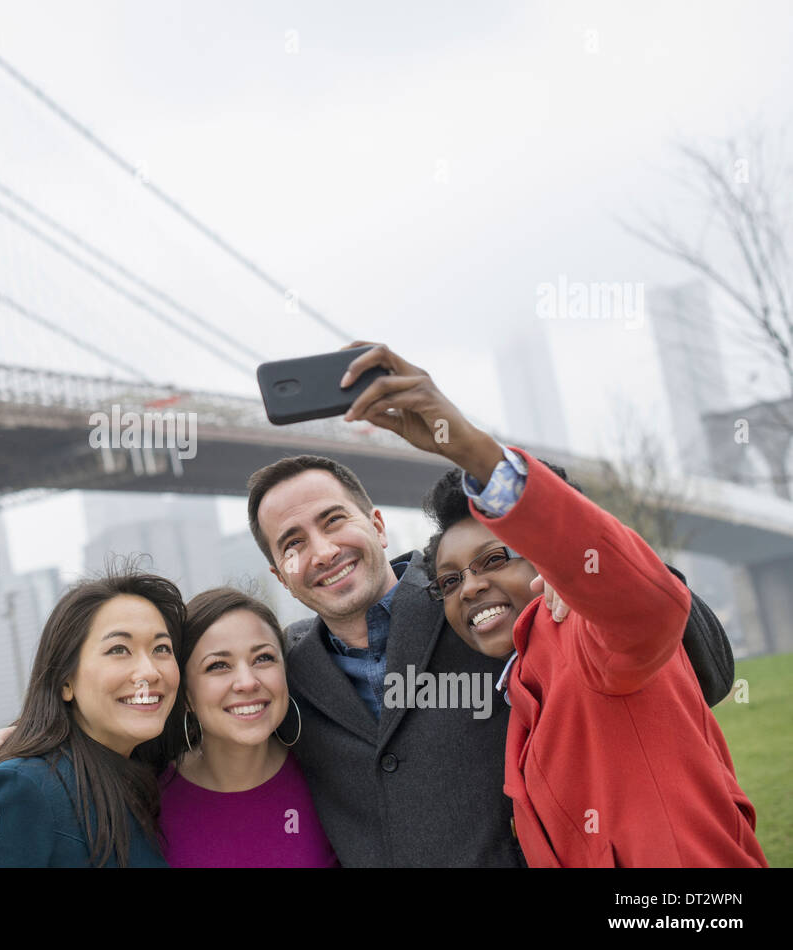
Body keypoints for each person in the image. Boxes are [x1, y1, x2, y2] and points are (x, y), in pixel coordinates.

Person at [243, 347, 735, 866]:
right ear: (280, 575)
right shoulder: (283, 673)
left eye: (334, 520)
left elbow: (701, 664)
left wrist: (576, 576)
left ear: (379, 527)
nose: (322, 552)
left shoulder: (494, 606)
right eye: (292, 544)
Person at [420, 460, 767, 866]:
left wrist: (576, 570)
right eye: (450, 581)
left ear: (547, 556)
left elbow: (643, 602)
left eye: (495, 560)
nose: (470, 587)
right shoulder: (522, 686)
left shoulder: (589, 629)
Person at [0, 564, 183, 867]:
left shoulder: (148, 781)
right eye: (119, 649)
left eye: (161, 648)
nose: (149, 672)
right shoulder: (20, 789)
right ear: (65, 681)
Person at [154, 587, 339, 867]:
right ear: (186, 694)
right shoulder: (150, 804)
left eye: (263, 658)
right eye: (218, 665)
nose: (247, 681)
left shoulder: (331, 779)